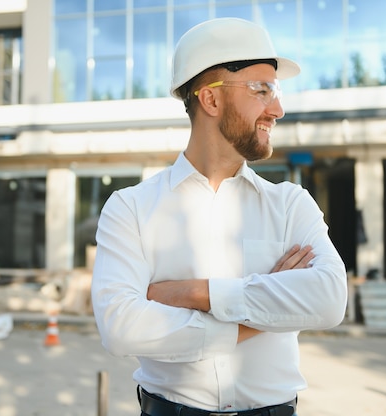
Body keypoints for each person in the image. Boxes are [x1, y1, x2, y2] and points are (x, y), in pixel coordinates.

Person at [91, 17, 348, 416]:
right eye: (262, 90)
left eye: (275, 90)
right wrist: (267, 307)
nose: (277, 109)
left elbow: (330, 300)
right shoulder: (131, 208)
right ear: (211, 99)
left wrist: (196, 293)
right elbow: (121, 328)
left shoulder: (291, 204)